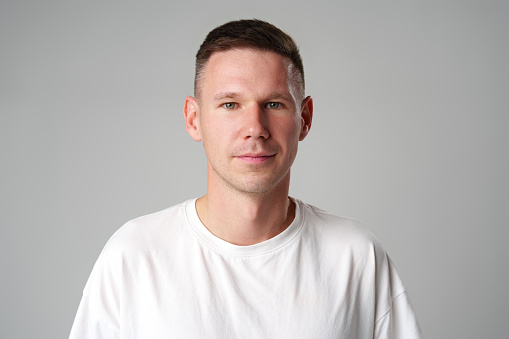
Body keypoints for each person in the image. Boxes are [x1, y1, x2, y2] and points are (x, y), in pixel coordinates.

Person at [69, 19, 421, 338]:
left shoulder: (355, 256)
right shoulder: (134, 256)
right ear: (194, 119)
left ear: (305, 118)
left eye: (274, 104)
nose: (255, 129)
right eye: (229, 104)